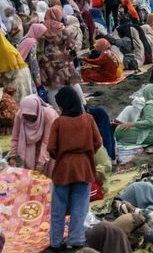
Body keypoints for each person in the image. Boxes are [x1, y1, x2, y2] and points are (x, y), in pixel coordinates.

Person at [48, 86, 103, 251]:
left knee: (58, 207)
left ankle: (56, 242)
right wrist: (86, 152)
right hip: (84, 166)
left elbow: (51, 148)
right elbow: (98, 142)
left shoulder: (58, 122)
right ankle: (76, 239)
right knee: (80, 206)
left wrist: (63, 156)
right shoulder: (88, 119)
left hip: (64, 167)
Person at [8, 94, 58, 174]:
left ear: (37, 110)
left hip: (47, 148)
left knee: (45, 175)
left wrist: (41, 161)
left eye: (32, 116)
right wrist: (12, 156)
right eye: (26, 116)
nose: (29, 119)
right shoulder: (20, 114)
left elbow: (47, 141)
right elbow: (15, 137)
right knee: (29, 175)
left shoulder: (49, 115)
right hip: (30, 148)